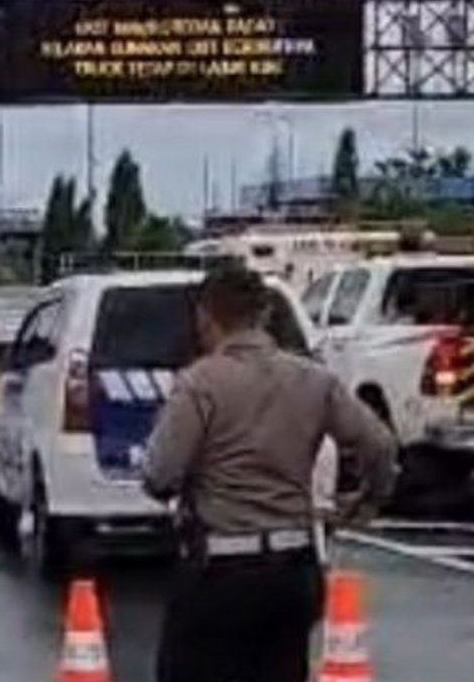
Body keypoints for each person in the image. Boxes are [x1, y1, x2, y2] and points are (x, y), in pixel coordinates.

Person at [142, 266, 396, 682]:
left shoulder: (200, 384)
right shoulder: (313, 379)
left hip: (219, 574)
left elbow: (160, 475)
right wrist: (368, 498)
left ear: (205, 317)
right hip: (293, 570)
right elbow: (380, 444)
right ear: (263, 316)